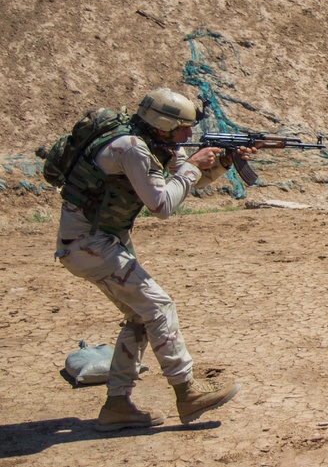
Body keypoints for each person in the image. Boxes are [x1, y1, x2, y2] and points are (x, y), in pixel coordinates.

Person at [54, 87, 257, 432]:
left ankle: (117, 405)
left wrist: (221, 163)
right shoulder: (131, 148)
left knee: (140, 317)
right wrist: (192, 166)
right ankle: (187, 391)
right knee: (160, 307)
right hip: (91, 246)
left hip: (96, 244)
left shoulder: (147, 143)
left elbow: (184, 183)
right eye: (183, 128)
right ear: (163, 125)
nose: (189, 135)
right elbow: (162, 204)